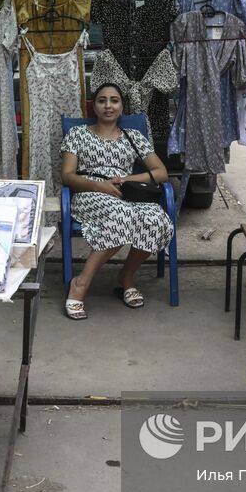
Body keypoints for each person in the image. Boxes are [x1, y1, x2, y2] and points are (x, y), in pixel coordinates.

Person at [59, 83, 173, 319]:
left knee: (157, 220)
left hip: (125, 193)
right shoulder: (77, 134)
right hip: (90, 193)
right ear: (94, 106)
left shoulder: (134, 136)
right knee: (121, 216)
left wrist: (127, 179)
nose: (108, 106)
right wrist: (99, 185)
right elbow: (67, 176)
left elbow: (161, 172)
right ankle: (80, 283)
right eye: (102, 100)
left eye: (114, 100)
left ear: (122, 106)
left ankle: (126, 276)